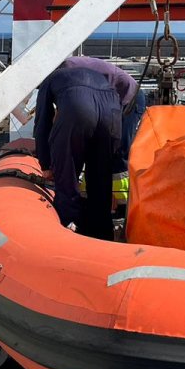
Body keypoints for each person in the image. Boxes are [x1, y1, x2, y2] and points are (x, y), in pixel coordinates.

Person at [34, 56, 138, 241]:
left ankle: (68, 227)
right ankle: (102, 235)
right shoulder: (90, 74)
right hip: (112, 112)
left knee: (67, 172)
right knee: (100, 178)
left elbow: (43, 123)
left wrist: (46, 164)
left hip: (79, 106)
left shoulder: (50, 79)